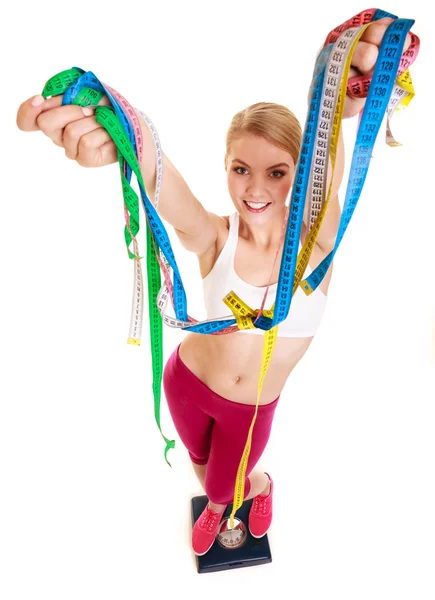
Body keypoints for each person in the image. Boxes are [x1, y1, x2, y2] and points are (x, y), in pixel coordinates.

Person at [16, 17, 411, 557]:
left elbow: (329, 174)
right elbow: (166, 190)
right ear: (226, 169)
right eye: (241, 168)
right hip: (185, 381)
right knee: (202, 468)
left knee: (223, 485)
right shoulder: (216, 239)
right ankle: (223, 498)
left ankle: (254, 490)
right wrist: (126, 134)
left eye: (278, 171)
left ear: (301, 172)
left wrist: (340, 103)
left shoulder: (315, 251)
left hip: (251, 409)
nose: (255, 187)